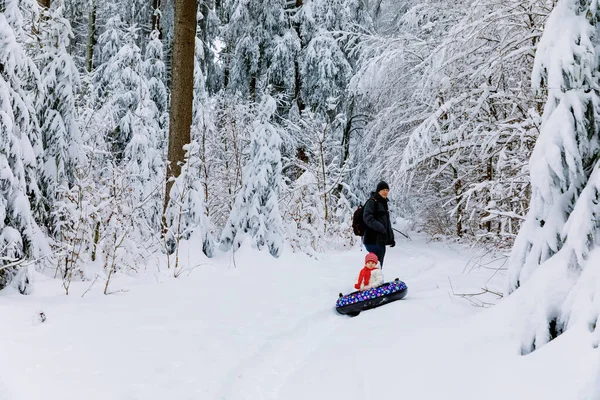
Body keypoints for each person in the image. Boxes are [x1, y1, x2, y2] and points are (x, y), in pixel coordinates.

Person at [362, 180, 395, 268]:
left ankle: (374, 280)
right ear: (378, 191)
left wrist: (391, 238)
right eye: (383, 190)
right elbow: (367, 218)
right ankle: (369, 280)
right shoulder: (372, 202)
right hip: (372, 240)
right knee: (374, 265)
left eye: (387, 190)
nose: (385, 192)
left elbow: (387, 223)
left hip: (380, 241)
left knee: (377, 265)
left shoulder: (383, 203)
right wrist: (380, 227)